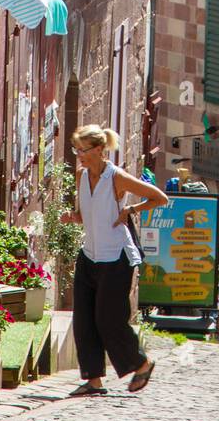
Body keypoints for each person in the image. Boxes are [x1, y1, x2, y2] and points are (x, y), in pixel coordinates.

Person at [61, 124, 169, 397]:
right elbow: (85, 213)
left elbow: (159, 197)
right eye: (77, 150)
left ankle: (141, 364)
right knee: (84, 319)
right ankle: (93, 380)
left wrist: (132, 208)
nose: (80, 155)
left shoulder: (116, 178)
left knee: (109, 319)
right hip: (89, 255)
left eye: (84, 150)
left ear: (99, 150)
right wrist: (73, 218)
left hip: (116, 258)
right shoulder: (81, 176)